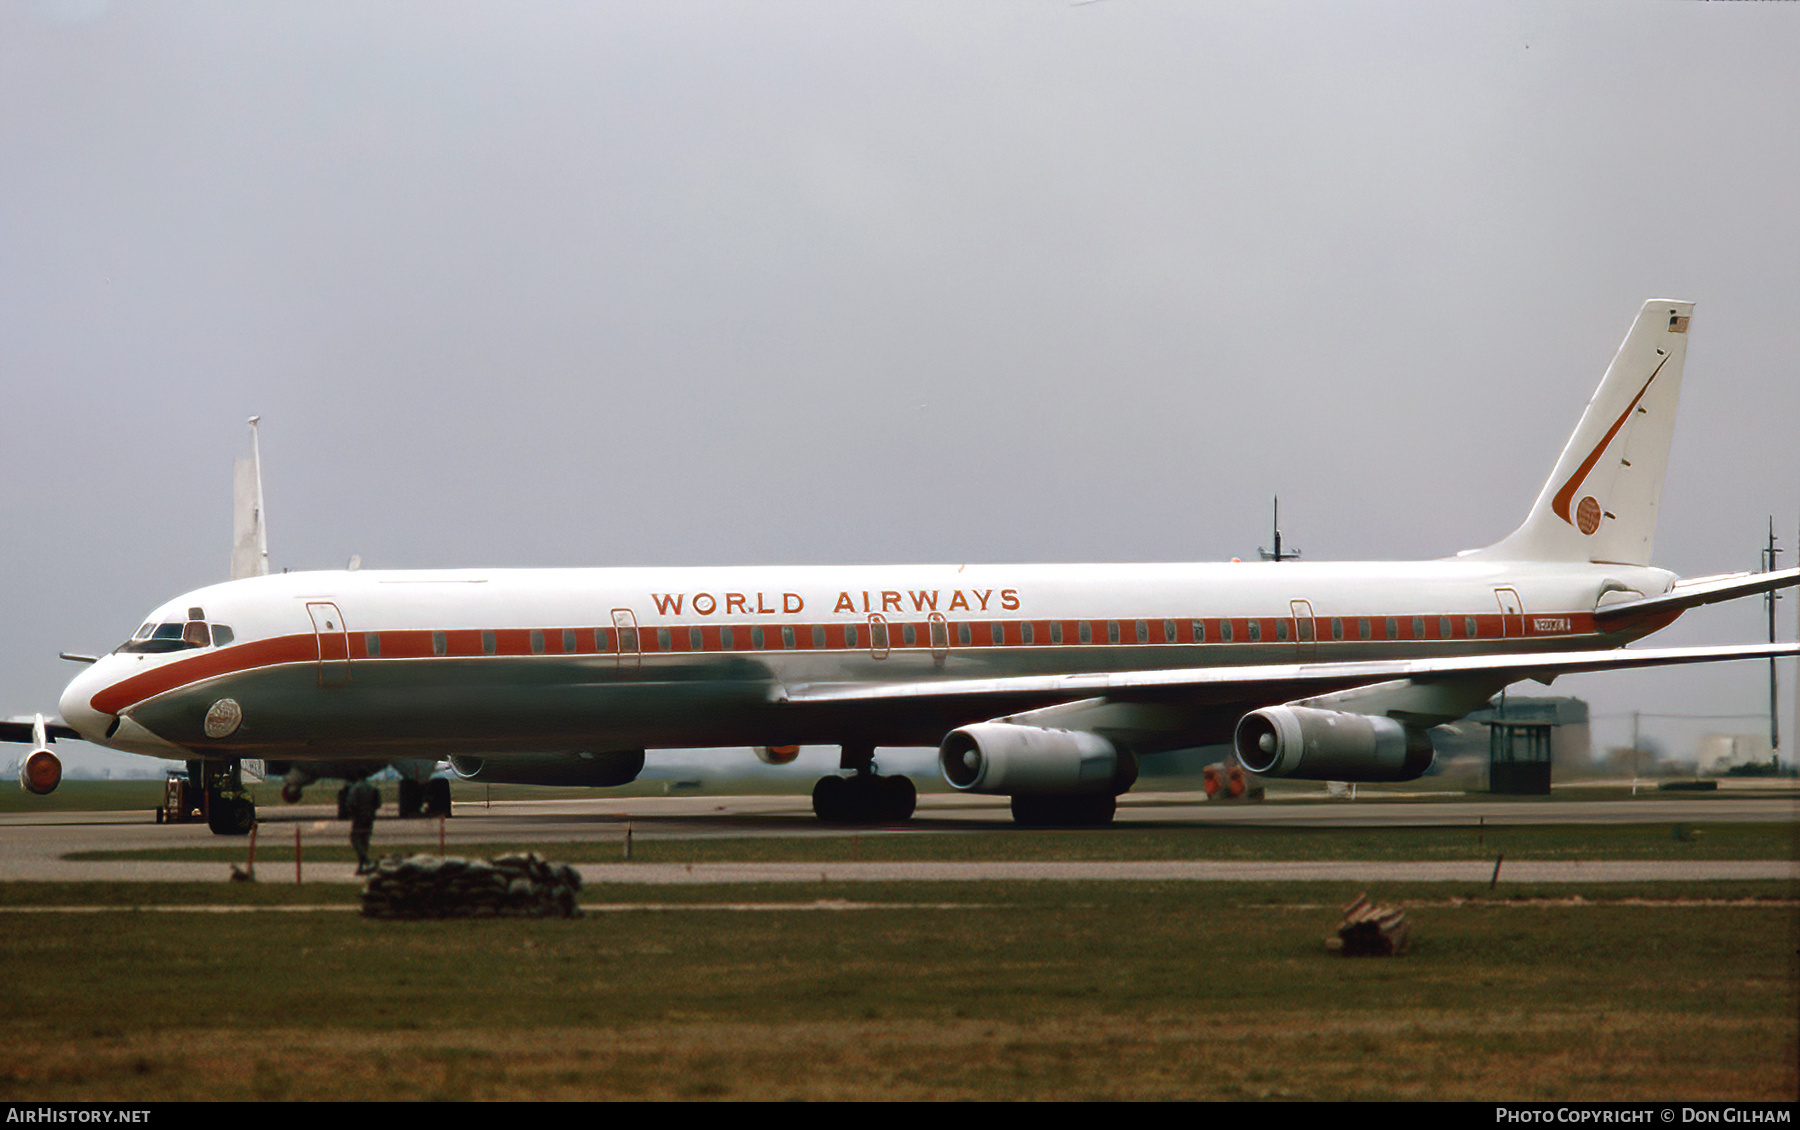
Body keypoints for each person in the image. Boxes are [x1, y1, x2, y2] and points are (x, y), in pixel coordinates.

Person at [347, 776, 380, 874]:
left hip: (358, 818)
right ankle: (361, 867)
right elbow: (378, 803)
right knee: (365, 841)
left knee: (355, 839)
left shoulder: (355, 788)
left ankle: (367, 861)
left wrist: (352, 813)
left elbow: (351, 802)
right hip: (369, 817)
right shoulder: (373, 788)